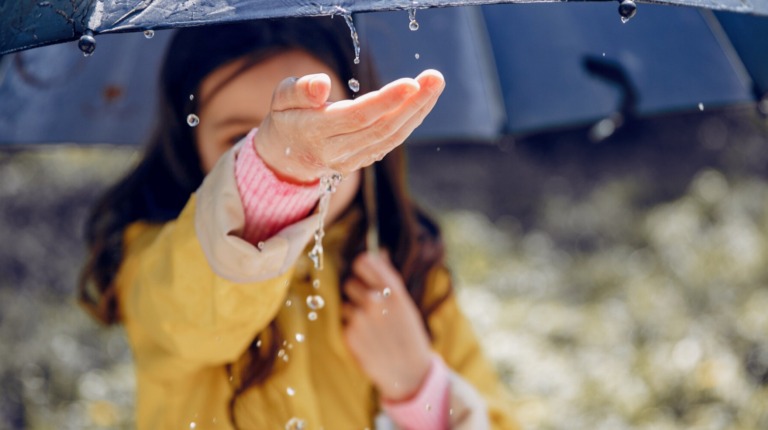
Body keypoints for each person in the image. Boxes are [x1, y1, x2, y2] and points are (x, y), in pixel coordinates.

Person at [79, 17, 518, 430]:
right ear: (189, 145)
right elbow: (188, 315)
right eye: (242, 140)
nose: (292, 150)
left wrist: (419, 385)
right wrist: (271, 178)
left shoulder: (411, 269)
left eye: (322, 123)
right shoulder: (157, 260)